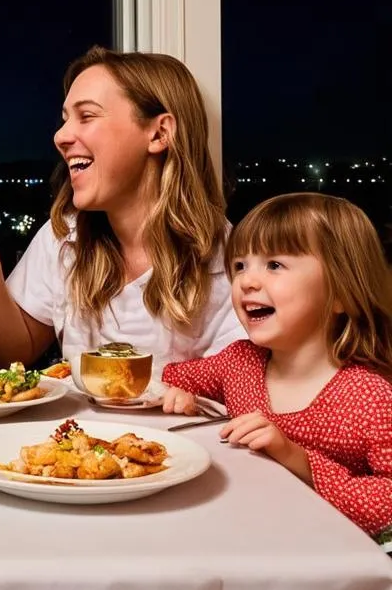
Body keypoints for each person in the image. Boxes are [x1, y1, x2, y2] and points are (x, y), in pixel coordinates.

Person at [0, 45, 243, 372]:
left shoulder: (231, 261)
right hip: (75, 432)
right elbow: (9, 355)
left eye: (87, 116)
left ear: (159, 133)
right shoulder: (63, 236)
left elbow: (242, 390)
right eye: (66, 119)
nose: (60, 136)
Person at [161, 193, 392, 546]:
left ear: (342, 294)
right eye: (240, 266)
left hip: (321, 562)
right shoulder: (239, 362)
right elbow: (169, 377)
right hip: (242, 537)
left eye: (274, 265)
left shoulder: (369, 398)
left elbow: (387, 504)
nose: (247, 281)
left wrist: (295, 458)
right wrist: (177, 394)